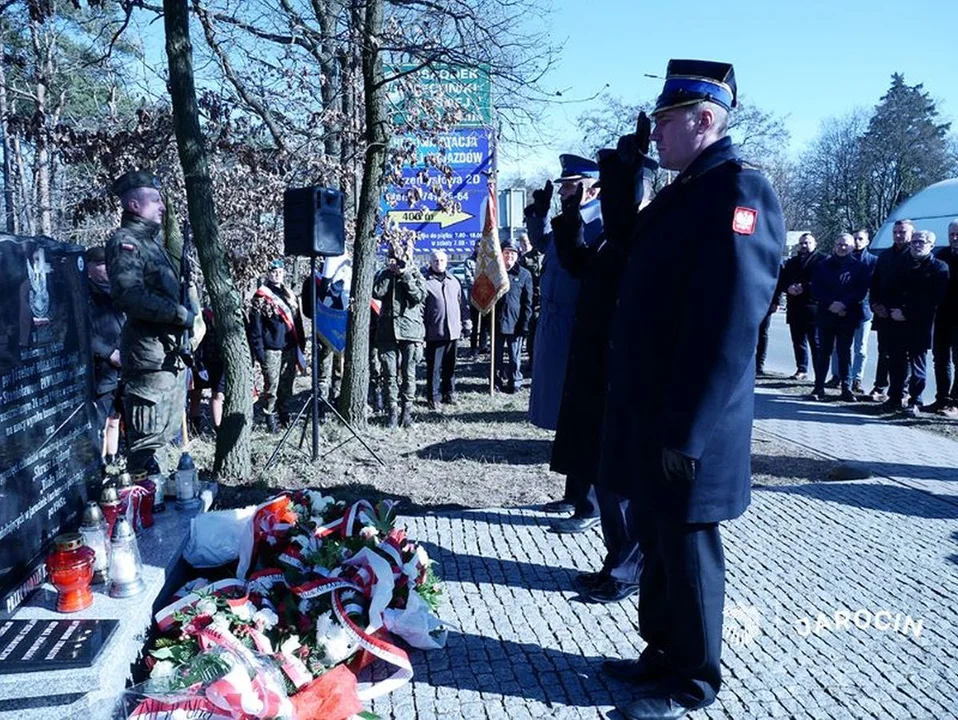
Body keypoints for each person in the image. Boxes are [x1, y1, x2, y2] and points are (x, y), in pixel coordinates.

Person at [597, 60, 785, 719]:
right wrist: (620, 179)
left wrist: (688, 430)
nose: (656, 136)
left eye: (665, 123)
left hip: (690, 422)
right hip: (655, 413)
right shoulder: (683, 193)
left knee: (690, 550)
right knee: (657, 538)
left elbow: (731, 325)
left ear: (705, 120)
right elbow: (627, 248)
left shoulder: (739, 193)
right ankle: (661, 655)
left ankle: (694, 681)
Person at [546, 112, 657, 599]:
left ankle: (630, 568)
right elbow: (576, 263)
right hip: (597, 371)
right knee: (604, 474)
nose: (605, 199)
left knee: (622, 482)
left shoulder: (646, 237)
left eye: (615, 189)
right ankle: (618, 560)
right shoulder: (616, 239)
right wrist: (566, 215)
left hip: (624, 374)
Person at [526, 155, 604, 520]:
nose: (564, 192)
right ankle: (573, 494)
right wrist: (537, 215)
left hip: (578, 327)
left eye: (571, 186)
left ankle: (588, 503)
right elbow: (544, 243)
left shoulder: (600, 222)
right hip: (555, 325)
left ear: (593, 187)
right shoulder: (570, 220)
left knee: (582, 415)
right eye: (563, 187)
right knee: (565, 414)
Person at [105, 170, 196, 475]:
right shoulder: (126, 242)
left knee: (166, 435)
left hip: (168, 356)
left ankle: (163, 503)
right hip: (148, 359)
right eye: (155, 200)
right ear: (133, 204)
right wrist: (179, 315)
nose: (162, 206)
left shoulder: (153, 245)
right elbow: (129, 296)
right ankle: (142, 511)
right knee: (147, 445)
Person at [883, 229, 949, 415]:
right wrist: (892, 309)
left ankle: (915, 401)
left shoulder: (939, 267)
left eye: (922, 242)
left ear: (931, 246)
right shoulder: (900, 264)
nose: (917, 245)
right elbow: (889, 288)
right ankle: (895, 398)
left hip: (920, 324)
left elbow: (933, 299)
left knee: (917, 365)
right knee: (896, 362)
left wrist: (907, 312)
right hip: (895, 321)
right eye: (914, 241)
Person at [808, 233, 870, 402]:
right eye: (839, 244)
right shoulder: (822, 266)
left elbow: (860, 291)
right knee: (824, 352)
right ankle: (818, 387)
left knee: (844, 353)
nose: (842, 247)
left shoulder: (860, 267)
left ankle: (846, 389)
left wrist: (844, 304)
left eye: (846, 245)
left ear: (852, 247)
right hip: (825, 315)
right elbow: (816, 290)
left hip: (847, 315)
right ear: (834, 246)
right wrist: (831, 304)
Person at [248, 259, 306, 433]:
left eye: (280, 271)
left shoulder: (290, 295)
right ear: (268, 273)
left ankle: (284, 415)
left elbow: (298, 322)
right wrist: (259, 352)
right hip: (271, 348)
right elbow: (256, 327)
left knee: (287, 384)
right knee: (272, 385)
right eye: (273, 272)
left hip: (290, 346)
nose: (277, 274)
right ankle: (269, 417)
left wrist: (301, 345)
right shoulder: (260, 296)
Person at [373, 246, 426, 428]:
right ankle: (392, 412)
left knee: (409, 373)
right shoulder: (383, 274)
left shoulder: (415, 273)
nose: (396, 261)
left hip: (410, 331)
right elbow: (377, 293)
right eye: (392, 258)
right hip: (387, 331)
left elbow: (418, 297)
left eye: (399, 258)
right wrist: (389, 273)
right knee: (389, 373)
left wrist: (404, 275)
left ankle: (407, 413)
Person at [86, 245, 125, 466]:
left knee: (115, 417)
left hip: (123, 365)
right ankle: (98, 465)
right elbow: (83, 333)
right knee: (99, 420)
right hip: (100, 368)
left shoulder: (117, 291)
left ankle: (113, 460)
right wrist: (109, 353)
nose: (106, 269)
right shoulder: (84, 294)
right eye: (101, 264)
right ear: (89, 267)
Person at [825, 228, 876, 393]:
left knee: (860, 348)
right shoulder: (840, 260)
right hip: (842, 311)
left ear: (867, 241)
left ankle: (856, 379)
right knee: (837, 347)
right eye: (855, 239)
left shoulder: (872, 261)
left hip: (863, 311)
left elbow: (871, 287)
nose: (858, 242)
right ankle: (837, 376)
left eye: (861, 239)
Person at [869, 219, 914, 401]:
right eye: (895, 232)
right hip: (884, 314)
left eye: (902, 232)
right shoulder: (885, 256)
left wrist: (904, 310)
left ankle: (901, 391)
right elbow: (875, 283)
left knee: (905, 355)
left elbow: (915, 288)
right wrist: (876, 304)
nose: (898, 235)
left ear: (911, 233)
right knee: (884, 352)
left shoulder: (914, 255)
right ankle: (880, 386)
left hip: (904, 316)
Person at [422, 249, 471, 409]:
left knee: (450, 366)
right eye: (436, 260)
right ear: (430, 262)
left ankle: (449, 392)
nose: (439, 263)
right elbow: (421, 309)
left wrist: (466, 323)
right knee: (434, 368)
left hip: (453, 331)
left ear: (447, 262)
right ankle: (433, 397)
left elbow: (462, 305)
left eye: (442, 260)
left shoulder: (453, 280)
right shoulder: (425, 282)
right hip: (434, 332)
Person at [777, 233, 824, 380]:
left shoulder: (822, 260)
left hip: (813, 307)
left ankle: (819, 373)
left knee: (816, 343)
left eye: (808, 243)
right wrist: (788, 288)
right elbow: (782, 281)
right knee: (798, 341)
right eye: (802, 243)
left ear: (815, 244)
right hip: (795, 307)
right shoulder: (792, 262)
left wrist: (804, 287)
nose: (804, 246)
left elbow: (822, 281)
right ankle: (801, 369)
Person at [494, 238, 533, 393]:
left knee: (514, 357)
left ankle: (514, 382)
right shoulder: (494, 273)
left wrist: (525, 324)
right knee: (496, 357)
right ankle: (495, 381)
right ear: (501, 254)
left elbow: (528, 302)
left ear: (517, 256)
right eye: (506, 252)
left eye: (513, 253)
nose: (509, 255)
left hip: (515, 323)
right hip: (496, 321)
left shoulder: (524, 274)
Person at [930, 220, 958, 415]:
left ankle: (956, 403)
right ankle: (941, 399)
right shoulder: (942, 256)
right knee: (940, 359)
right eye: (951, 235)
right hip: (942, 316)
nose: (954, 238)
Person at [190, 306, 225, 431]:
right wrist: (198, 364)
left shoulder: (228, 315)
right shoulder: (203, 315)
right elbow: (197, 341)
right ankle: (195, 427)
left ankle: (218, 428)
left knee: (218, 395)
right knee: (195, 395)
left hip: (219, 362)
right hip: (201, 361)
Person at [517, 229, 543, 371]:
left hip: (547, 300)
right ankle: (532, 361)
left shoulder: (549, 255)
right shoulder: (526, 259)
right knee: (532, 333)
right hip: (532, 301)